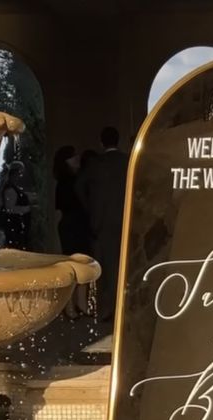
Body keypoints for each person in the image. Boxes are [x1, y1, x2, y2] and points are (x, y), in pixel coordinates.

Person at [79, 126, 128, 322]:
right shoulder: (128, 162)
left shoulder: (95, 164)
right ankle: (124, 309)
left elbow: (79, 186)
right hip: (126, 220)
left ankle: (107, 310)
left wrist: (91, 208)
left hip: (100, 223)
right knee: (124, 265)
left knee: (104, 269)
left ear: (101, 142)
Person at [54, 145, 92, 317]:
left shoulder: (78, 179)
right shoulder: (65, 183)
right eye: (72, 156)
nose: (76, 158)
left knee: (82, 264)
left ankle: (79, 305)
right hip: (72, 226)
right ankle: (71, 306)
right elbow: (61, 210)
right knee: (74, 265)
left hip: (78, 225)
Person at [0, 161, 32, 250]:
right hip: (14, 226)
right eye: (19, 173)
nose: (20, 176)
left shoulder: (13, 188)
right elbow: (10, 209)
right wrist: (27, 209)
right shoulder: (10, 189)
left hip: (17, 226)